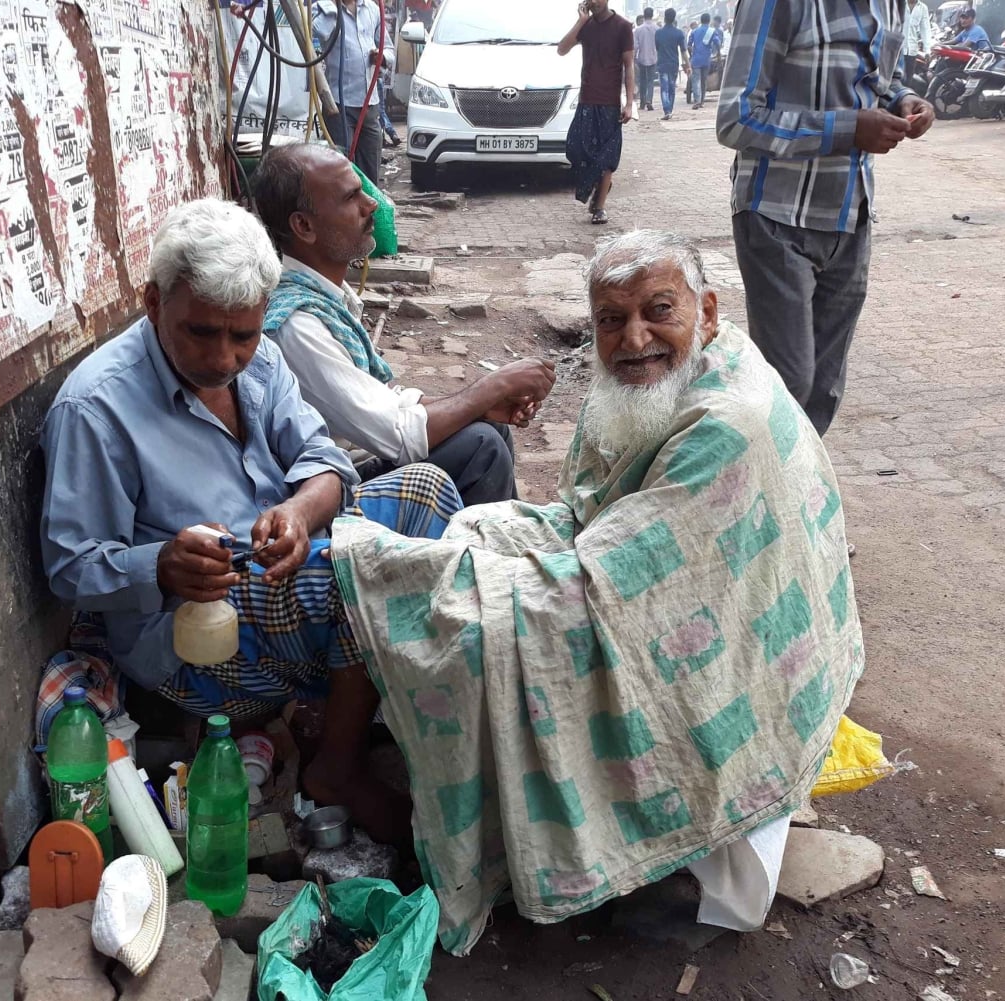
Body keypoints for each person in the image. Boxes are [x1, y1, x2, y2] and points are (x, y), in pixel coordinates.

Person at [329, 231, 864, 957]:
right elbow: (597, 512)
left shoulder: (724, 423)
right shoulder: (692, 368)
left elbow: (610, 585)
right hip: (652, 566)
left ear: (707, 312)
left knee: (470, 621)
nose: (633, 338)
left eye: (658, 311)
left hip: (711, 632)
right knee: (470, 534)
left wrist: (402, 569)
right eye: (612, 319)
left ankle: (568, 842)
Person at [40, 198, 463, 842]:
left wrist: (298, 511)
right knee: (353, 577)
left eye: (242, 335)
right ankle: (337, 766)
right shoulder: (96, 408)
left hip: (281, 562)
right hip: (191, 639)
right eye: (201, 333)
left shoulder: (258, 360)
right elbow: (70, 568)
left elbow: (324, 460)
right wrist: (161, 565)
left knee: (428, 490)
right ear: (153, 304)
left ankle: (382, 697)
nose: (223, 359)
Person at [251, 144, 557, 503]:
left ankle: (499, 534)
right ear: (304, 226)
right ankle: (479, 540)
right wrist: (493, 385)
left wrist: (480, 404)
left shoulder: (326, 299)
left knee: (488, 427)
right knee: (480, 446)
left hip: (364, 452)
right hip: (330, 488)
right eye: (351, 197)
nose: (371, 204)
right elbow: (398, 437)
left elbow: (380, 401)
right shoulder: (296, 325)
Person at [718, 0, 936, 436]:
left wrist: (904, 99)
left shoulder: (893, 5)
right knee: (789, 383)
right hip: (776, 218)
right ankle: (755, 472)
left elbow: (880, 81)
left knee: (824, 388)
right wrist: (846, 129)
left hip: (851, 217)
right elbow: (736, 119)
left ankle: (796, 474)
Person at [558, 0, 637, 225]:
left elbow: (629, 66)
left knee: (607, 156)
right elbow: (562, 49)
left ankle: (599, 207)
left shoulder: (623, 26)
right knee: (576, 148)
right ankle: (598, 184)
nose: (593, 2)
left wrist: (629, 103)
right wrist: (581, 21)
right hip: (586, 100)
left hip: (610, 104)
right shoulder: (586, 26)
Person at [313, 0, 394, 185]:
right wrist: (332, 7)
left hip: (369, 104)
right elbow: (319, 34)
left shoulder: (372, 9)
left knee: (370, 168)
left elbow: (388, 48)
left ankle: (368, 203)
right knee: (341, 168)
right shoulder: (323, 8)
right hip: (339, 105)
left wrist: (382, 57)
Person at [655, 8, 689, 119]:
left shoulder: (658, 33)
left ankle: (667, 110)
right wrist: (688, 65)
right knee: (671, 88)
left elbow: (657, 48)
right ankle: (669, 109)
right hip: (674, 63)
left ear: (665, 18)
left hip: (662, 63)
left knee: (664, 88)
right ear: (674, 18)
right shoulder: (679, 33)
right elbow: (683, 51)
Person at [687, 13, 722, 108]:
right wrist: (718, 54)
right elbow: (717, 43)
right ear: (709, 21)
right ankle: (702, 101)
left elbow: (689, 45)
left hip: (696, 59)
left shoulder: (694, 31)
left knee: (696, 80)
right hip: (706, 59)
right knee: (704, 80)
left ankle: (697, 101)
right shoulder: (712, 31)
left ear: (701, 20)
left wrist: (691, 55)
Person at [635, 8, 660, 112]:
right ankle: (649, 100)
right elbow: (659, 45)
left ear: (644, 15)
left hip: (641, 58)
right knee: (650, 81)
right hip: (653, 58)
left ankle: (642, 103)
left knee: (642, 81)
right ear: (652, 15)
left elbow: (635, 46)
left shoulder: (638, 30)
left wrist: (633, 60)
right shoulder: (657, 29)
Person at [905, 0, 937, 80]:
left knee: (908, 79)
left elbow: (925, 29)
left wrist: (927, 51)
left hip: (912, 51)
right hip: (896, 49)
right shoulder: (899, 3)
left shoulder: (923, 8)